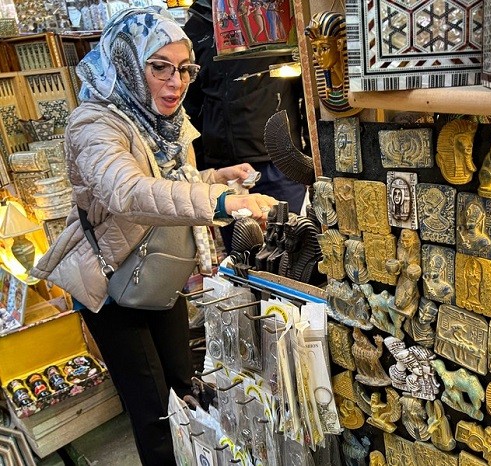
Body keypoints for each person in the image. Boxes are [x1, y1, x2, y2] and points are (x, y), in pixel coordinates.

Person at [29, 7, 277, 465]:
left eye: (183, 69)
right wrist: (224, 202)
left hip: (157, 273)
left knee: (184, 387)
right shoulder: (93, 125)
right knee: (153, 412)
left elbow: (169, 183)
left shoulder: (164, 123)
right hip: (111, 284)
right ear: (126, 62)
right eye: (159, 67)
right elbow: (128, 192)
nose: (175, 82)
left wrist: (216, 177)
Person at [182, 0, 307, 252]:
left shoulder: (272, 11)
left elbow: (305, 88)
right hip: (225, 169)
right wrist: (201, 172)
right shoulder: (196, 26)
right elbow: (190, 106)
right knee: (242, 255)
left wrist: (313, 157)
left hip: (277, 162)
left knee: (292, 251)